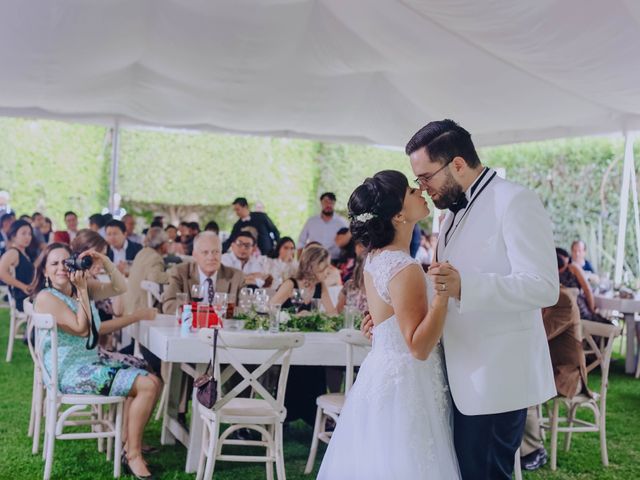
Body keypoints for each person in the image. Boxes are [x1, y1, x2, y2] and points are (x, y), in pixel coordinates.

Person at [384, 119, 558, 479]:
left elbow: (543, 286)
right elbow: (443, 285)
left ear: (457, 164)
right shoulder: (448, 217)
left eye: (426, 177)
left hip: (498, 377)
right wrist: (395, 315)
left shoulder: (515, 201)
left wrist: (467, 286)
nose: (422, 187)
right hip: (459, 374)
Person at [318, 170, 459, 479]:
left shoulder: (376, 258)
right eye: (411, 191)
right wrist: (443, 296)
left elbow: (388, 323)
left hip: (383, 372)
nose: (419, 191)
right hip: (409, 382)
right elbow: (419, 347)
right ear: (398, 215)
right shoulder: (403, 267)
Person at [31, 243, 162, 478]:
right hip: (71, 372)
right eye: (54, 263)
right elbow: (82, 329)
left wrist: (105, 261)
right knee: (148, 384)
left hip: (91, 362)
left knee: (151, 375)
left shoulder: (78, 286)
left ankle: (128, 441)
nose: (62, 267)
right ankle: (132, 455)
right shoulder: (46, 297)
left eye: (65, 261)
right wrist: (82, 290)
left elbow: (120, 287)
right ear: (45, 271)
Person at [520, 273, 591, 471]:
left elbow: (539, 334)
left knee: (524, 391)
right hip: (547, 369)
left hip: (567, 375)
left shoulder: (562, 298)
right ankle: (517, 444)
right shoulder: (543, 297)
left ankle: (535, 450)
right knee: (518, 382)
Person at [162, 231, 244, 314]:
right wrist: (200, 312)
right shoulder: (179, 272)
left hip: (223, 326)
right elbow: (169, 304)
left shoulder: (237, 276)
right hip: (190, 325)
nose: (211, 257)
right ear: (194, 254)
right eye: (205, 252)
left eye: (216, 252)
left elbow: (245, 309)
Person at [123, 227, 171, 314]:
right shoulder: (155, 257)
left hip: (129, 307)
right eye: (168, 242)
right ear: (162, 244)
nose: (169, 245)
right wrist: (173, 275)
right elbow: (154, 277)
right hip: (142, 309)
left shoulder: (142, 252)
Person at [298, 192, 348, 260]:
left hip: (335, 260)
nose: (328, 205)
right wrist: (299, 260)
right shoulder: (311, 221)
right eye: (326, 202)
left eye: (331, 202)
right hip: (313, 259)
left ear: (334, 204)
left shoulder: (342, 222)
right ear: (321, 203)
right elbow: (301, 241)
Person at [0, 219, 35, 311]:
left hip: (31, 296)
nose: (28, 237)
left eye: (29, 233)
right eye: (23, 233)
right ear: (13, 236)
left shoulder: (26, 253)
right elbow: (2, 273)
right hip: (23, 300)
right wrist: (23, 287)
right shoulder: (13, 252)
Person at [557, 247, 600, 321]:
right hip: (561, 310)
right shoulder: (552, 271)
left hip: (577, 308)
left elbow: (587, 289)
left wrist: (592, 310)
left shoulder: (573, 267)